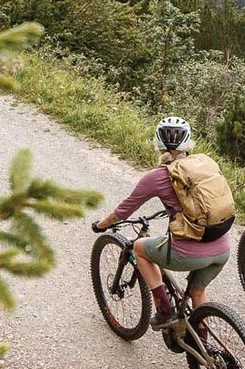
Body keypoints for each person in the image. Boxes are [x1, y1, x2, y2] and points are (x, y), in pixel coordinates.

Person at [91, 116, 232, 330]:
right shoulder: (204, 164)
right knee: (198, 291)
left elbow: (123, 210)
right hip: (222, 249)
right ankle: (204, 350)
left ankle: (164, 311)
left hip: (188, 254)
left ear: (157, 143)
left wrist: (101, 225)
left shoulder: (158, 175)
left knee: (140, 249)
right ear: (188, 142)